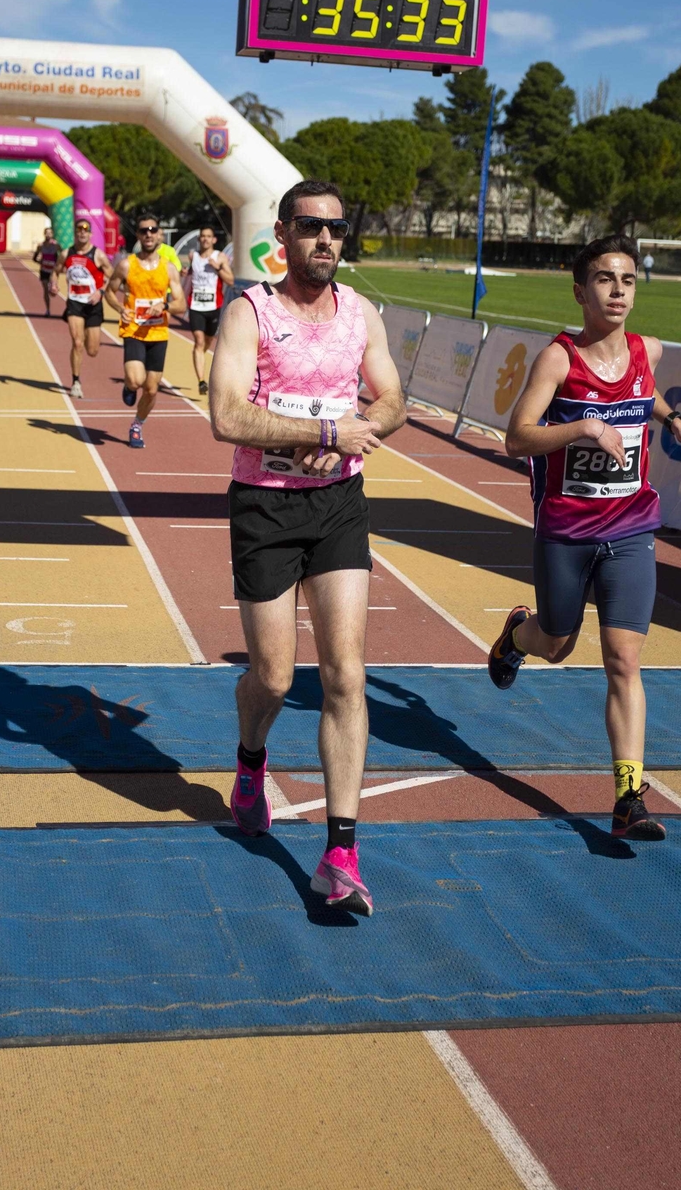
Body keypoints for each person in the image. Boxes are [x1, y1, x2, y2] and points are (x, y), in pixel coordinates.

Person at [209, 180, 406, 915]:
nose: (326, 240)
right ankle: (251, 760)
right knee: (273, 676)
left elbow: (391, 399)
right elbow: (227, 417)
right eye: (312, 227)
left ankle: (341, 852)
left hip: (338, 506)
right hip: (263, 506)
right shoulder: (249, 313)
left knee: (346, 676)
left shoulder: (360, 315)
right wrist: (323, 432)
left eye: (337, 228)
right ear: (283, 234)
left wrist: (365, 429)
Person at [487, 234, 681, 841]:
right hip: (566, 529)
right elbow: (517, 437)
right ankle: (515, 636)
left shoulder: (648, 350)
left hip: (632, 526)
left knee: (623, 659)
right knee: (556, 643)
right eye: (606, 280)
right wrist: (583, 426)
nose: (618, 291)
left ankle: (628, 799)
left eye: (628, 280)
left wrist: (676, 424)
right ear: (581, 290)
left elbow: (645, 395)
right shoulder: (559, 360)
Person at [105, 214, 187, 448]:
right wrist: (120, 308)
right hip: (134, 329)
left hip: (158, 333)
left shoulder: (168, 268)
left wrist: (165, 306)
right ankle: (129, 386)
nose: (148, 234)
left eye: (153, 229)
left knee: (151, 389)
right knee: (135, 379)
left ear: (159, 234)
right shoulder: (126, 265)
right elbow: (109, 292)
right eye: (143, 231)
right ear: (138, 236)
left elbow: (181, 304)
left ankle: (137, 425)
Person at [56, 217, 113, 398]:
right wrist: (53, 283)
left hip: (93, 304)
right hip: (74, 303)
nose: (82, 232)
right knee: (77, 342)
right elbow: (56, 270)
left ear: (90, 234)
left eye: (85, 229)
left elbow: (113, 278)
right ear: (75, 232)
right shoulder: (66, 254)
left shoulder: (98, 255)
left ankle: (89, 338)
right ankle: (76, 382)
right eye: (79, 229)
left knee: (92, 350)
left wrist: (101, 292)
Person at [184, 226, 234, 395]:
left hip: (213, 306)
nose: (205, 239)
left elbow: (231, 281)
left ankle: (200, 355)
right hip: (195, 305)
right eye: (202, 236)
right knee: (198, 341)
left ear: (213, 240)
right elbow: (192, 271)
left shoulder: (219, 257)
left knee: (207, 341)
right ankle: (201, 381)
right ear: (199, 239)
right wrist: (187, 271)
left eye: (208, 236)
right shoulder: (193, 256)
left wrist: (218, 268)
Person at [32, 226, 61, 316]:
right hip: (44, 270)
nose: (48, 234)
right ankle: (48, 310)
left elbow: (63, 254)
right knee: (45, 290)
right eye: (47, 233)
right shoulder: (41, 246)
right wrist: (40, 262)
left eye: (50, 233)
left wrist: (58, 265)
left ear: (52, 234)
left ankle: (54, 287)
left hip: (53, 271)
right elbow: (34, 258)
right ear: (44, 234)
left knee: (52, 291)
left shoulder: (56, 245)